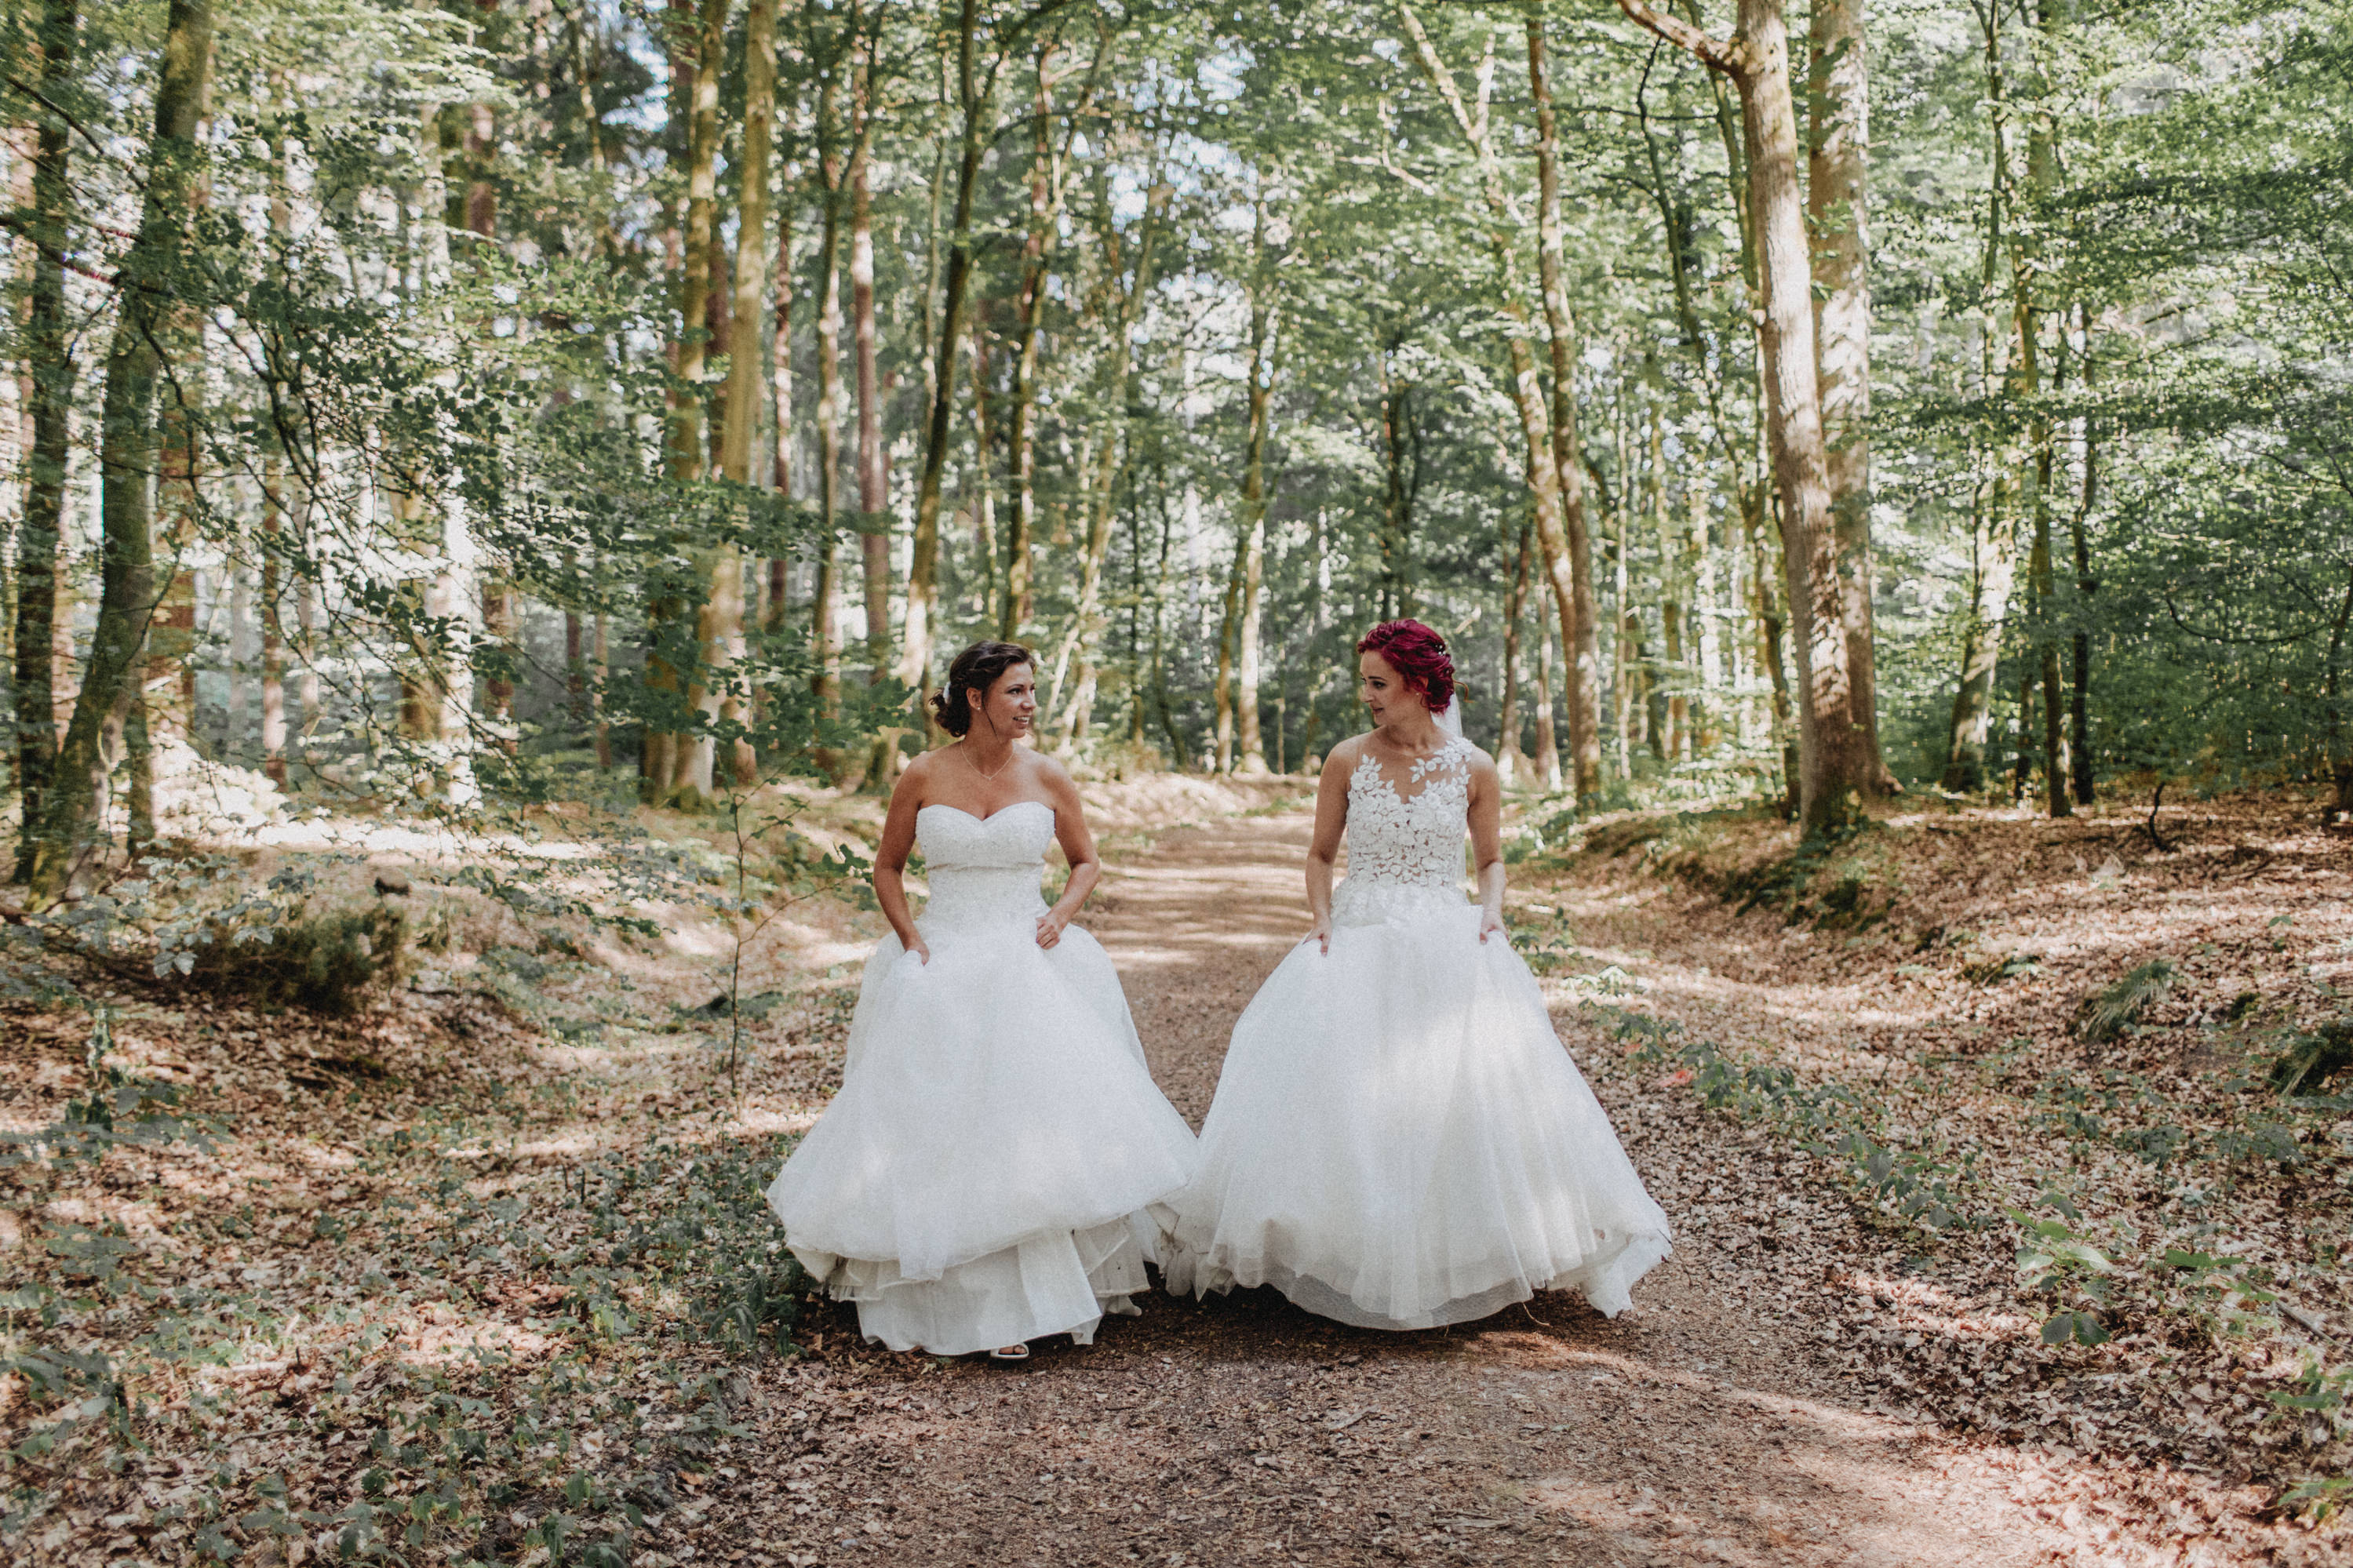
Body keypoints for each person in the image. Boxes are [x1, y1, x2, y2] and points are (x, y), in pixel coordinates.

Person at [1158, 619, 1671, 1330]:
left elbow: (1489, 860)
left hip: (1445, 935)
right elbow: (1318, 854)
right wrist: (1320, 916)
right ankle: (1335, 1247)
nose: (1365, 695)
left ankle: (1465, 1252)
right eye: (1364, 680)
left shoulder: (1475, 766)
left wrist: (1490, 913)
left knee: (1458, 1092)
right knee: (1342, 1094)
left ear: (1419, 685)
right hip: (1359, 932)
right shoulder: (1345, 759)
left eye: (1377, 682)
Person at [767, 641, 1197, 1361]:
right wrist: (909, 939)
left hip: (1029, 960)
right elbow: (888, 865)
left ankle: (1038, 1292)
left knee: (1029, 1114)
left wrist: (1060, 913)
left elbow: (1087, 860)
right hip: (942, 956)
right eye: (1017, 692)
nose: (1030, 704)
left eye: (1032, 691)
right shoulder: (923, 774)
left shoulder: (1047, 774)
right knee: (935, 1118)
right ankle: (955, 1291)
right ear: (975, 697)